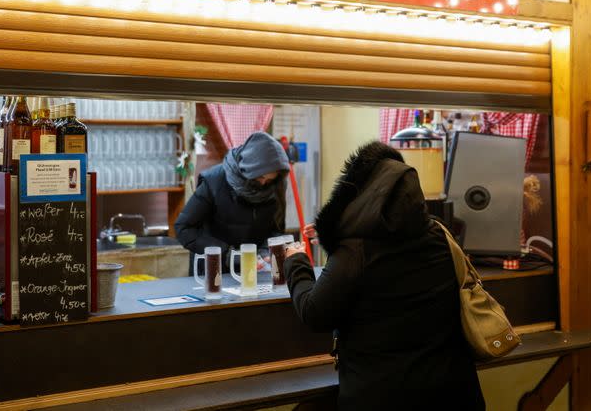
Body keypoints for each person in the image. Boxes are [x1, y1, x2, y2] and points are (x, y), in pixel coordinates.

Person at [283, 140, 484, 410]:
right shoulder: (440, 235)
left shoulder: (355, 252)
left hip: (384, 397)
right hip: (454, 394)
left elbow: (313, 312)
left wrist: (296, 262)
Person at [175, 131, 290, 273]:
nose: (263, 183)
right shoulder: (214, 181)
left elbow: (277, 229)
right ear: (247, 169)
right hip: (212, 272)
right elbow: (184, 228)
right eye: (260, 177)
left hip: (255, 269)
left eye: (269, 180)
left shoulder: (276, 185)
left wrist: (266, 251)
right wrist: (229, 254)